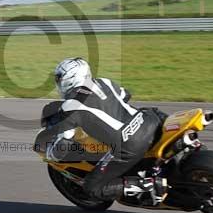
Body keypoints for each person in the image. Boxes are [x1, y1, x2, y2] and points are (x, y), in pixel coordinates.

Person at [39, 57, 166, 201]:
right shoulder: (104, 82)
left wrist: (50, 155)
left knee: (93, 188)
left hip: (129, 144)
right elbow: (125, 94)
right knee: (148, 111)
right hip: (149, 120)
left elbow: (64, 144)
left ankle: (148, 185)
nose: (58, 82)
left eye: (59, 78)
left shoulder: (70, 106)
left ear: (71, 77)